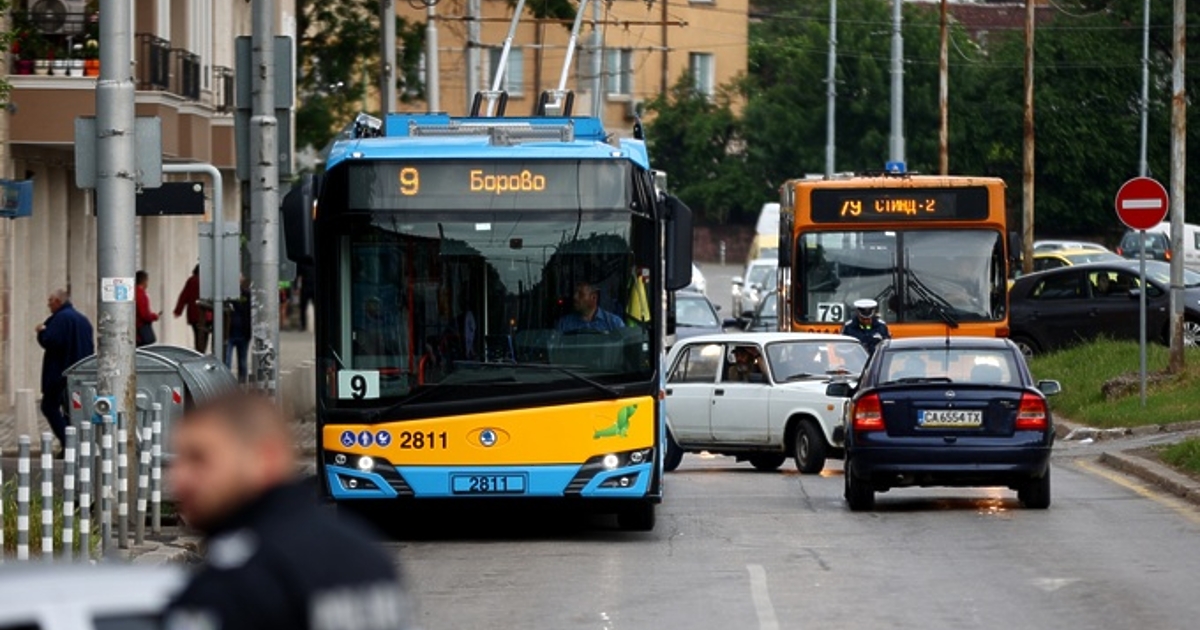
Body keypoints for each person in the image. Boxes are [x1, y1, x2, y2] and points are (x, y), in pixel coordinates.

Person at [165, 391, 413, 630]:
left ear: (266, 458)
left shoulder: (235, 582)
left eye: (199, 459)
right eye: (178, 460)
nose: (179, 479)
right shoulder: (367, 557)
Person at [36, 289, 94, 449]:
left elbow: (51, 341)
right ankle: (73, 443)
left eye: (50, 301)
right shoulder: (82, 320)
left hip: (60, 373)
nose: (48, 304)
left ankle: (69, 442)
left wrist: (41, 332)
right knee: (72, 410)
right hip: (80, 372)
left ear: (58, 302)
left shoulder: (60, 319)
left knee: (49, 406)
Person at [556, 282, 624, 333]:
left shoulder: (614, 323)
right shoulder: (564, 324)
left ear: (594, 297)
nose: (575, 297)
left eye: (580, 294)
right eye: (575, 293)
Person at [174, 264, 212, 353]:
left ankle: (199, 352)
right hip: (206, 315)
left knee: (197, 336)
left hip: (194, 315)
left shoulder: (191, 280)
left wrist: (178, 311)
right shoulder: (208, 281)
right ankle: (201, 353)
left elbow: (184, 296)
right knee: (204, 336)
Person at [225, 278, 252, 383]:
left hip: (243, 333)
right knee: (227, 362)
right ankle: (227, 384)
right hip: (230, 333)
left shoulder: (246, 295)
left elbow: (250, 313)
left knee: (243, 362)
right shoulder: (227, 297)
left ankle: (242, 384)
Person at [135, 269, 160, 346]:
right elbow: (144, 314)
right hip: (141, 327)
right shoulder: (140, 293)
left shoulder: (135, 292)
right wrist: (154, 316)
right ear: (144, 281)